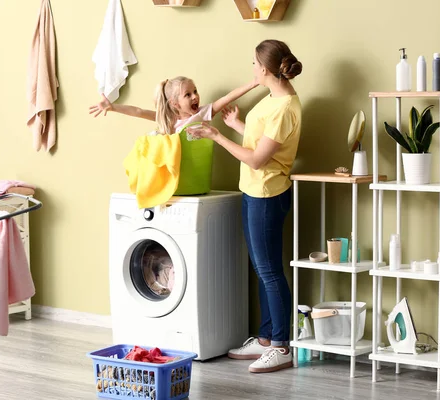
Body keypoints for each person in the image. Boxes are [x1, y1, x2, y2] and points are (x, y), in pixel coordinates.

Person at [187, 39, 302, 374]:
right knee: (262, 269)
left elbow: (256, 159)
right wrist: (237, 124)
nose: (252, 69)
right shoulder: (275, 100)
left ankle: (281, 345)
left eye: (254, 64)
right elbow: (262, 141)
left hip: (267, 193)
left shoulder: (284, 108)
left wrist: (217, 136)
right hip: (255, 192)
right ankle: (266, 339)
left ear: (265, 69)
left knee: (269, 271)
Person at [88, 76, 258, 134]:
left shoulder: (203, 113)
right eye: (188, 94)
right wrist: (113, 107)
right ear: (175, 103)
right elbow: (139, 111)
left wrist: (254, 83)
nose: (195, 97)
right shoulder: (168, 119)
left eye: (195, 91)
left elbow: (227, 97)